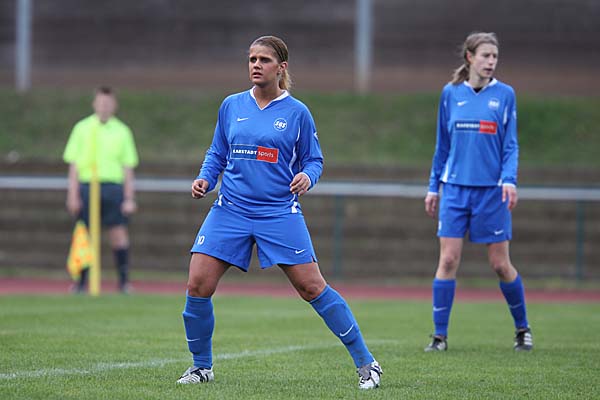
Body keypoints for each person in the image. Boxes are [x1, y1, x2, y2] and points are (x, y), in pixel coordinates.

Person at [176, 35, 382, 389]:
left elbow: (314, 159)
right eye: (252, 59)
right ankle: (201, 367)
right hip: (231, 209)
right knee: (197, 284)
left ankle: (367, 364)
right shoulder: (231, 105)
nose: (256, 65)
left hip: (278, 212)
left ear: (281, 67)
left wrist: (307, 176)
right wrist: (205, 179)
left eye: (264, 60)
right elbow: (217, 152)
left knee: (311, 287)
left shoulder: (297, 113)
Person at [424, 32, 533, 352]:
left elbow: (510, 145)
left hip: (491, 192)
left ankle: (523, 329)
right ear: (470, 57)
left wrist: (509, 180)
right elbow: (442, 146)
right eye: (485, 55)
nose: (491, 62)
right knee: (448, 260)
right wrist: (433, 186)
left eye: (495, 56)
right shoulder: (450, 93)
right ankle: (439, 336)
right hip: (455, 189)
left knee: (500, 264)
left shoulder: (505, 95)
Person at [63, 86, 139, 293]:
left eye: (108, 103)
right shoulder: (82, 128)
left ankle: (123, 282)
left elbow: (128, 167)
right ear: (94, 104)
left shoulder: (123, 131)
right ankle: (80, 283)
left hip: (112, 188)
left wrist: (129, 198)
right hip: (87, 187)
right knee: (84, 235)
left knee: (118, 234)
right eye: (101, 102)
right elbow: (73, 165)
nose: (104, 107)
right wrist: (72, 195)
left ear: (114, 105)